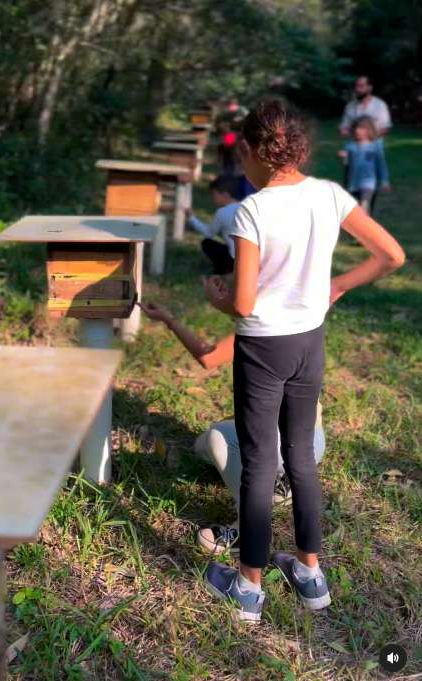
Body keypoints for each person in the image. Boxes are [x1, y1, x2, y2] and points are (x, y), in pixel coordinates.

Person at [203, 98, 405, 622]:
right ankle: (311, 575)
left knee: (258, 462)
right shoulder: (330, 194)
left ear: (248, 151)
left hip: (263, 348)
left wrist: (218, 299)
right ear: (298, 150)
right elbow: (391, 256)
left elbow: (244, 303)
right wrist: (339, 283)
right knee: (300, 456)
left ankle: (248, 586)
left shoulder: (252, 210)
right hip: (309, 342)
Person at [141, 299, 326, 555]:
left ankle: (244, 527)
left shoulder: (261, 324)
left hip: (275, 445)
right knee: (225, 439)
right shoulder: (307, 309)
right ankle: (282, 487)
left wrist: (174, 318)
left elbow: (209, 356)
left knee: (212, 441)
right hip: (311, 441)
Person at [338, 115, 390, 215]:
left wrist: (384, 181)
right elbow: (346, 165)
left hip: (368, 183)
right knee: (354, 208)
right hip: (353, 183)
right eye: (356, 128)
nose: (358, 131)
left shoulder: (375, 147)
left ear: (369, 130)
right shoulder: (350, 146)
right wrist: (343, 157)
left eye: (362, 128)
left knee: (364, 204)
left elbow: (381, 164)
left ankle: (364, 224)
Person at [187, 176, 239, 275]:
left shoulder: (222, 212)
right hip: (251, 258)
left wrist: (191, 218)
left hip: (234, 260)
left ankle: (223, 270)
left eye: (214, 195)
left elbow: (209, 233)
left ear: (225, 195)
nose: (213, 199)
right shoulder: (245, 206)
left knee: (207, 243)